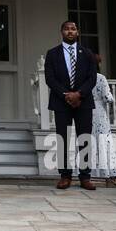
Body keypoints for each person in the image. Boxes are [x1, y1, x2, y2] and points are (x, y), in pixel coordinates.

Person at [43, 20, 97, 190]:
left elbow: (92, 78)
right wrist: (67, 95)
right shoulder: (53, 54)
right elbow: (50, 79)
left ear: (77, 32)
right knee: (62, 139)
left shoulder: (87, 54)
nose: (70, 31)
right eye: (66, 29)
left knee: (85, 139)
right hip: (61, 102)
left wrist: (79, 94)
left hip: (84, 101)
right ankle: (65, 176)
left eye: (73, 29)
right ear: (61, 32)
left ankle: (85, 176)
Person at [90, 54, 116, 187]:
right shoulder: (100, 78)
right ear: (98, 64)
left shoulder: (85, 78)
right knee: (105, 143)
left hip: (88, 112)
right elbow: (108, 97)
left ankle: (88, 174)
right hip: (100, 113)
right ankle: (109, 176)